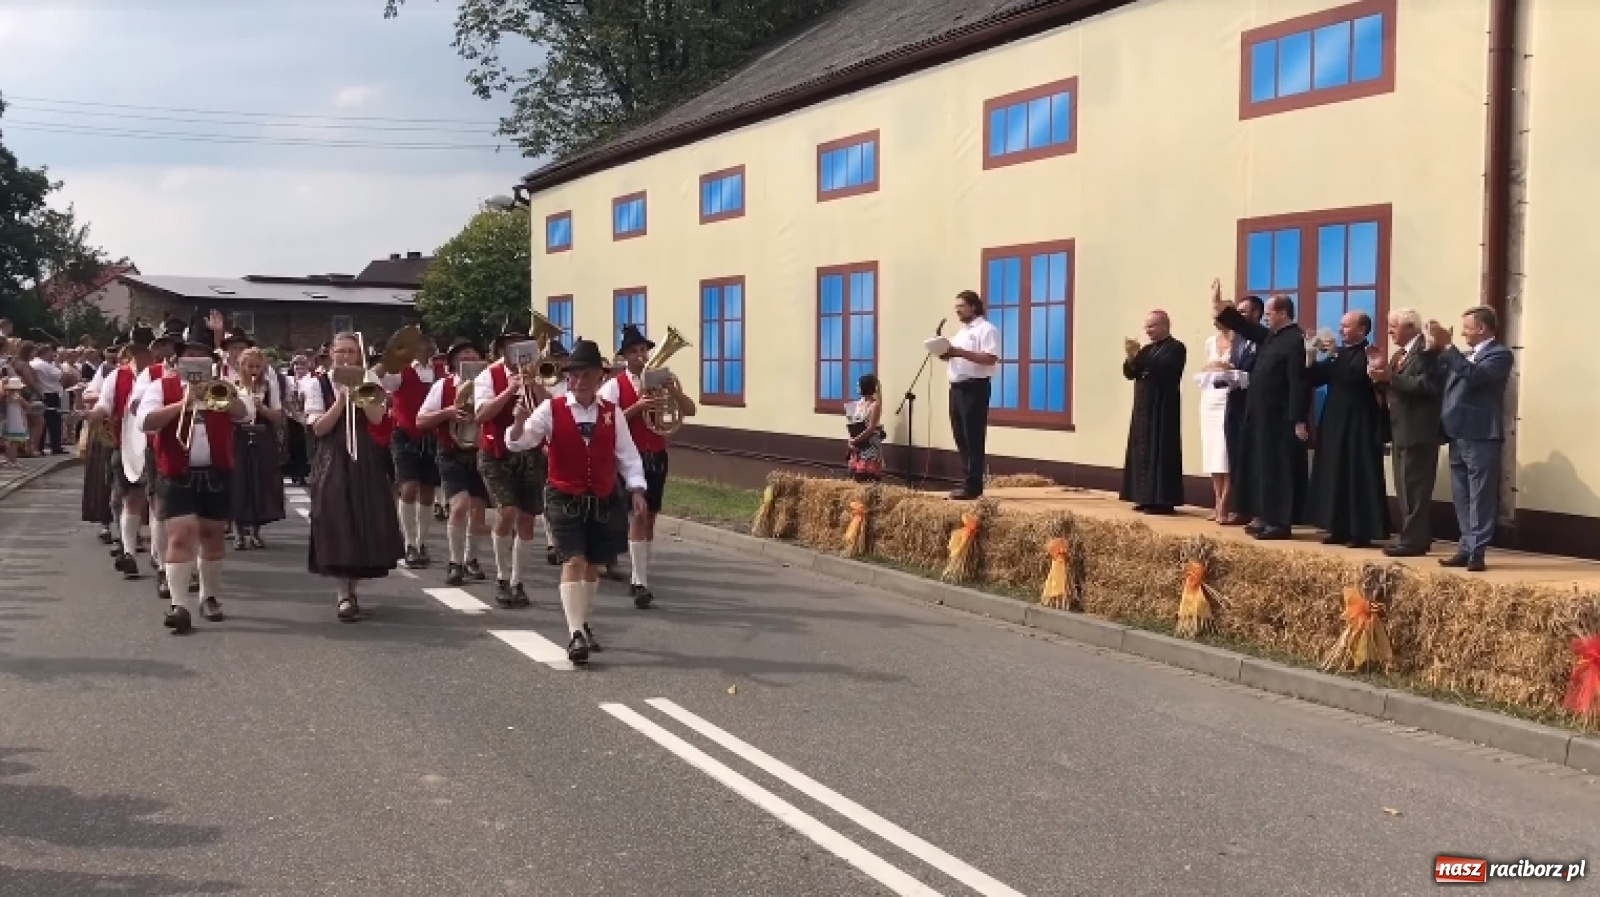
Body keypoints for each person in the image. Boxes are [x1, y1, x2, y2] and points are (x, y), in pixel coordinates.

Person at [506, 339, 648, 664]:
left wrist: (637, 489)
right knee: (573, 560)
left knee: (592, 565)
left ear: (599, 377)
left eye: (586, 375)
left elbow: (627, 456)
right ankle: (574, 634)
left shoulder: (612, 414)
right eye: (573, 375)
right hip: (563, 494)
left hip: (600, 495)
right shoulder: (552, 408)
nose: (578, 381)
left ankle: (583, 622)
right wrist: (516, 422)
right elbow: (521, 441)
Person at [136, 328, 252, 634]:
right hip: (176, 470)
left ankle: (209, 596)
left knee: (213, 536)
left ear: (211, 361)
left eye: (201, 354)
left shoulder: (224, 386)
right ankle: (179, 606)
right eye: (189, 354)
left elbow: (245, 415)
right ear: (179, 359)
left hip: (216, 471)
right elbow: (145, 422)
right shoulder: (163, 385)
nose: (195, 358)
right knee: (180, 535)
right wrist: (184, 404)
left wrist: (222, 397)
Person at [301, 331, 406, 621]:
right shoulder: (317, 384)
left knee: (362, 519)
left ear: (358, 355)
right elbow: (319, 429)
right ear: (331, 354)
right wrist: (340, 401)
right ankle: (342, 593)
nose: (345, 356)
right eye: (341, 351)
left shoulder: (370, 380)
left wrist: (361, 393)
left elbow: (377, 419)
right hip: (332, 456)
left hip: (365, 457)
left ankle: (353, 588)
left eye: (351, 352)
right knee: (336, 520)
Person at [599, 324, 696, 608]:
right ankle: (639, 582)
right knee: (637, 516)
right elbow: (608, 421)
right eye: (634, 351)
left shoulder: (665, 378)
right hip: (630, 458)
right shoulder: (614, 386)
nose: (641, 355)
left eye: (643, 350)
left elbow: (689, 410)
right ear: (625, 357)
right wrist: (638, 407)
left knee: (650, 518)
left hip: (657, 454)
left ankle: (640, 571)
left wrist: (673, 393)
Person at [1214, 289, 1310, 540]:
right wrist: (1220, 306)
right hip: (1260, 415)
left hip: (1279, 417)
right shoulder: (1272, 336)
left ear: (1282, 313)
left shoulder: (1293, 339)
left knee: (1276, 470)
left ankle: (1279, 523)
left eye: (1268, 313)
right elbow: (1245, 328)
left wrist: (1298, 418)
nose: (1265, 318)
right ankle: (1264, 515)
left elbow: (1297, 381)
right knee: (1260, 467)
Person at [474, 322, 552, 607]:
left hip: (529, 452)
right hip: (496, 453)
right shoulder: (488, 375)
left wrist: (535, 388)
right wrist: (509, 391)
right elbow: (481, 415)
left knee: (528, 518)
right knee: (507, 511)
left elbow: (551, 408)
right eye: (511, 344)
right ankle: (502, 577)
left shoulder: (536, 374)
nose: (517, 349)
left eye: (522, 344)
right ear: (502, 348)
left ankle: (518, 581)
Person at [1432, 306, 1514, 571]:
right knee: (1462, 495)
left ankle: (1477, 551)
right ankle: (1466, 547)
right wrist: (1437, 347)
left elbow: (1475, 377)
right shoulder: (1466, 355)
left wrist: (1450, 348)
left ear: (1482, 328)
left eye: (1467, 327)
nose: (1464, 332)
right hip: (1457, 433)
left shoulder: (1500, 354)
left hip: (1481, 434)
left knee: (1480, 494)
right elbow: (1442, 379)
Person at [1305, 311, 1392, 548]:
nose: (1341, 330)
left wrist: (1333, 355)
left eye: (1346, 326)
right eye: (1341, 325)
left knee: (1357, 473)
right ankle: (1338, 527)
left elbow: (1355, 378)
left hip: (1359, 421)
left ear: (1362, 330)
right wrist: (1311, 354)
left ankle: (1360, 531)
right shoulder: (1340, 354)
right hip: (1335, 419)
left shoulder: (1369, 353)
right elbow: (1315, 378)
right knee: (1335, 471)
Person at [1367, 308, 1443, 557]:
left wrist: (1390, 378)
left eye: (1393, 326)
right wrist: (1377, 375)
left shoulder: (1426, 352)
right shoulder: (1399, 354)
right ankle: (1412, 536)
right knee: (1403, 486)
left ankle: (1413, 540)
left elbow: (1428, 385)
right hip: (1399, 429)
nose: (1388, 331)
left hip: (1419, 431)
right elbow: (1392, 387)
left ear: (1410, 327)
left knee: (1416, 488)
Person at [416, 338, 492, 586]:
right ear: (454, 363)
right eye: (463, 357)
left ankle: (471, 559)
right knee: (459, 506)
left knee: (478, 511)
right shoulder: (443, 385)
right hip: (451, 451)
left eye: (473, 356)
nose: (469, 360)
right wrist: (447, 412)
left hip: (481, 451)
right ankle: (455, 562)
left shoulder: (489, 386)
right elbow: (421, 420)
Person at [88, 325, 159, 578]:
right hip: (127, 444)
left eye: (145, 350)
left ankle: (158, 557)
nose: (140, 355)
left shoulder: (163, 375)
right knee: (131, 499)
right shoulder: (117, 376)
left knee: (157, 502)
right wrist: (91, 414)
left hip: (161, 446)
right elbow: (105, 404)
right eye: (135, 351)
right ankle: (129, 552)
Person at [377, 333, 442, 569]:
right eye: (420, 344)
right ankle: (409, 543)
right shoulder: (400, 371)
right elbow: (376, 378)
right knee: (408, 486)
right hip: (405, 434)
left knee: (427, 491)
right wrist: (390, 357)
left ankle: (421, 541)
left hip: (433, 436)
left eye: (426, 343)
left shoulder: (441, 370)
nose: (425, 347)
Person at [1119, 310, 1187, 514]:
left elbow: (1166, 369)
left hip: (1162, 407)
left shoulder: (1176, 348)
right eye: (1146, 327)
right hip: (1143, 408)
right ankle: (1144, 497)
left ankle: (1163, 501)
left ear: (1164, 325)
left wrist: (1142, 361)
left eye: (1152, 326)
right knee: (1142, 452)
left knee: (1161, 451)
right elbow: (1131, 373)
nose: (1147, 331)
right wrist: (1131, 357)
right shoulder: (1147, 350)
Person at [940, 290, 999, 500]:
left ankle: (974, 486)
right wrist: (946, 354)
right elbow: (958, 357)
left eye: (961, 306)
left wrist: (959, 352)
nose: (957, 311)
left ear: (973, 306)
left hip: (974, 387)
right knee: (960, 436)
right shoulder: (961, 332)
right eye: (956, 307)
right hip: (956, 387)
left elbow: (990, 358)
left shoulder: (986, 329)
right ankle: (968, 480)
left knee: (973, 436)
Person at [229, 347, 287, 549]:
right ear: (241, 366)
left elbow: (278, 416)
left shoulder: (269, 386)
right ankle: (239, 533)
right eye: (250, 366)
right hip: (239, 437)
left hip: (263, 436)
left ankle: (256, 531)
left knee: (260, 481)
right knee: (239, 481)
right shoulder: (233, 386)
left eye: (257, 366)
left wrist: (262, 407)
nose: (254, 370)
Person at [1219, 291, 1263, 526]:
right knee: (1235, 457)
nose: (1240, 316)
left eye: (1244, 312)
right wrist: (1222, 376)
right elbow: (1233, 366)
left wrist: (1246, 378)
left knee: (1252, 458)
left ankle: (1256, 509)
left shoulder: (1264, 337)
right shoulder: (1237, 339)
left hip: (1253, 405)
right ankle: (1240, 507)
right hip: (1234, 403)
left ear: (1256, 314)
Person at [1195, 320, 1241, 521]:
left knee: (1225, 453)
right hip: (1209, 398)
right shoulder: (1210, 342)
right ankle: (1216, 501)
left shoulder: (1239, 342)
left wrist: (1225, 367)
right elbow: (1207, 368)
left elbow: (1238, 370)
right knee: (1213, 453)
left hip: (1228, 398)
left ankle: (1225, 503)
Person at [845, 373, 884, 482]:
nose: (856, 388)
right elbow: (852, 424)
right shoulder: (858, 404)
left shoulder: (875, 405)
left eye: (858, 385)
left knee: (868, 476)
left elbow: (871, 428)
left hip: (869, 443)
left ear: (865, 387)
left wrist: (856, 440)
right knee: (855, 475)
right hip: (857, 444)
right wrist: (850, 440)